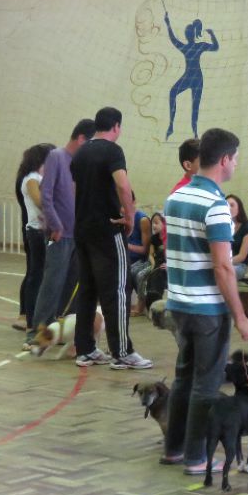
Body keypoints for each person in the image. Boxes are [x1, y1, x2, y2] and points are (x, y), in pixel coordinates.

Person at [161, 127, 248, 475]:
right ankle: (197, 457)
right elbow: (223, 267)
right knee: (206, 385)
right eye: (236, 158)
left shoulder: (175, 197)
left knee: (184, 379)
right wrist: (241, 317)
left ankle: (174, 449)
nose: (236, 165)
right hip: (207, 310)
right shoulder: (216, 206)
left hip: (179, 305)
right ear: (225, 159)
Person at [70, 107, 153, 369]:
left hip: (82, 229)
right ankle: (122, 352)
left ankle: (85, 349)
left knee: (87, 290)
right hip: (107, 230)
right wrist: (130, 217)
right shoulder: (113, 151)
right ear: (116, 126)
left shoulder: (80, 152)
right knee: (118, 289)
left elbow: (74, 189)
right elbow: (123, 184)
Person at [31, 119, 96, 345]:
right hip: (60, 234)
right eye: (90, 143)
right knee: (53, 283)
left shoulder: (80, 163)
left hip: (77, 234)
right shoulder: (56, 157)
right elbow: (46, 196)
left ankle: (58, 330)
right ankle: (37, 333)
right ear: (81, 139)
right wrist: (56, 225)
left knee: (72, 284)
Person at [14, 143, 55, 336]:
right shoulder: (32, 179)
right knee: (36, 275)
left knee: (41, 275)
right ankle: (31, 320)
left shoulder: (40, 178)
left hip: (42, 231)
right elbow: (41, 202)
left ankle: (38, 318)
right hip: (37, 232)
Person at [163, 13, 219, 140]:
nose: (187, 35)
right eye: (187, 34)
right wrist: (168, 24)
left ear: (191, 35)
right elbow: (173, 39)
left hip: (195, 78)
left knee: (195, 105)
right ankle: (172, 125)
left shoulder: (194, 46)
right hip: (190, 77)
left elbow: (215, 47)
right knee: (173, 93)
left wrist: (212, 35)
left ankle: (195, 132)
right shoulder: (191, 47)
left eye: (188, 34)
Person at [127, 192, 151, 315]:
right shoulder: (120, 217)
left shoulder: (142, 220)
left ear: (134, 202)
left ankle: (140, 305)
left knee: (134, 272)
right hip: (126, 258)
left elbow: (145, 250)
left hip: (141, 260)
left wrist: (126, 245)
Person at [225, 194, 248, 281]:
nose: (229, 208)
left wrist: (224, 263)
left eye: (232, 205)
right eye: (226, 205)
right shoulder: (223, 226)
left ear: (239, 208)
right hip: (223, 264)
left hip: (239, 266)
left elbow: (241, 256)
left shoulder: (247, 227)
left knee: (223, 273)